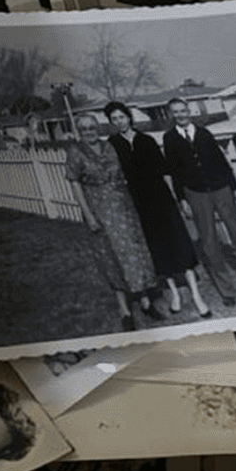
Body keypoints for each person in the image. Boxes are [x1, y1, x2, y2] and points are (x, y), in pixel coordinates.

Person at [161, 98, 236, 306]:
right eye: (176, 112)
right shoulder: (170, 138)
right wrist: (182, 199)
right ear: (171, 114)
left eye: (183, 110)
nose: (181, 115)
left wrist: (235, 191)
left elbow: (222, 163)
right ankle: (227, 291)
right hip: (196, 193)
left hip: (221, 189)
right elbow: (174, 171)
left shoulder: (204, 133)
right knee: (209, 243)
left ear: (189, 111)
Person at [103, 101, 209, 319]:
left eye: (122, 117)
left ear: (129, 117)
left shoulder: (147, 140)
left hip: (162, 200)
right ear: (111, 123)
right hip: (138, 206)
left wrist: (175, 199)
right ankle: (174, 295)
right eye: (114, 119)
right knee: (159, 251)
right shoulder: (112, 145)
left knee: (180, 246)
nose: (119, 122)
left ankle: (197, 296)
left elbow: (165, 171)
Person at [65, 113, 160, 331]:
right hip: (99, 210)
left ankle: (145, 301)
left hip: (124, 207)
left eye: (92, 127)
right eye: (84, 128)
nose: (89, 131)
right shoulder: (75, 151)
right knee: (111, 257)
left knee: (136, 253)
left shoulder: (109, 146)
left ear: (98, 128)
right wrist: (88, 215)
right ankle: (124, 310)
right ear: (79, 131)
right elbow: (75, 184)